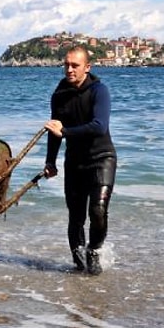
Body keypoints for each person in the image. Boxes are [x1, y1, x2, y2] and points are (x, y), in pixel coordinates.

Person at [43, 46, 117, 275]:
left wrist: (64, 132)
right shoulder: (59, 95)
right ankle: (78, 266)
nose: (69, 69)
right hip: (74, 162)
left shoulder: (99, 91)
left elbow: (99, 126)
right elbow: (54, 131)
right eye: (66, 64)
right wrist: (50, 162)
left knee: (97, 211)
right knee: (76, 217)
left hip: (102, 158)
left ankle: (94, 252)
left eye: (74, 65)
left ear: (87, 67)